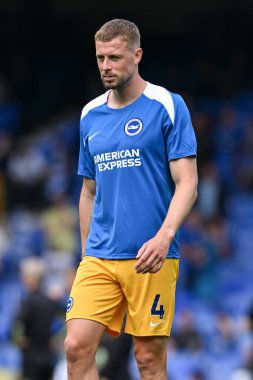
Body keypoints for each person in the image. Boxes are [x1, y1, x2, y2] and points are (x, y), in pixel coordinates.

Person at [64, 18, 198, 380]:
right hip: (99, 257)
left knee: (149, 360)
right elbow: (88, 191)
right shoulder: (90, 115)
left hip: (151, 255)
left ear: (137, 55)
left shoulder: (167, 105)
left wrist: (164, 236)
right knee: (75, 347)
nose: (106, 66)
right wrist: (84, 254)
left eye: (115, 57)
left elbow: (188, 182)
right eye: (100, 58)